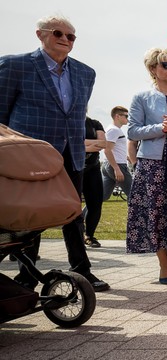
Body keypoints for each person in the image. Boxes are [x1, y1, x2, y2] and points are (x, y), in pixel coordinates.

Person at [0, 15, 110, 292]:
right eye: (58, 33)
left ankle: (82, 271)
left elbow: (74, 114)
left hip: (71, 153)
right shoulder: (15, 65)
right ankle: (26, 275)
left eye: (71, 36)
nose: (65, 39)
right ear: (40, 34)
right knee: (30, 213)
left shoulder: (86, 73)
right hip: (29, 156)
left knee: (72, 212)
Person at [126, 48, 167, 284]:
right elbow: (132, 131)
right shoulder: (141, 98)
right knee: (154, 214)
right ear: (153, 69)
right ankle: (164, 264)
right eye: (166, 65)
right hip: (152, 166)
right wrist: (160, 128)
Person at [82, 116, 108, 248]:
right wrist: (92, 143)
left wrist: (81, 144)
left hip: (93, 168)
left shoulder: (94, 123)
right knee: (71, 205)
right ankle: (76, 235)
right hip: (73, 168)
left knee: (96, 204)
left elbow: (103, 144)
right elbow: (67, 141)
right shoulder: (68, 121)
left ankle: (89, 235)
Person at [102, 106, 133, 201]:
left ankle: (81, 215)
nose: (128, 118)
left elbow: (115, 149)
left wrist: (128, 158)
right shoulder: (114, 130)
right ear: (117, 116)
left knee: (102, 196)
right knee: (134, 194)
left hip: (109, 165)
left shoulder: (113, 130)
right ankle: (135, 216)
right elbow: (107, 150)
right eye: (126, 116)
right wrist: (116, 169)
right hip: (117, 165)